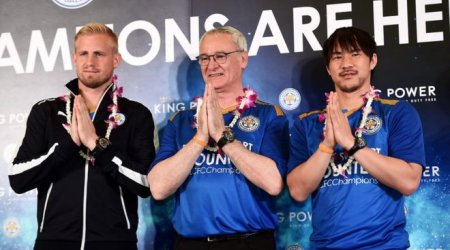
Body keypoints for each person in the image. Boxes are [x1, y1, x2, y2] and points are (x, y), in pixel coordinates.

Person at [8, 23, 155, 250]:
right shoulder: (45, 111)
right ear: (74, 58)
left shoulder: (136, 114)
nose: (90, 62)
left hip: (115, 243)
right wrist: (68, 145)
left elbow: (145, 184)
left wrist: (97, 145)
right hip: (54, 242)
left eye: (99, 54)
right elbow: (18, 179)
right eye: (83, 53)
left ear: (116, 60)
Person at [147, 26, 289, 250]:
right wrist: (199, 139)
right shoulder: (180, 120)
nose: (211, 65)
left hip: (249, 242)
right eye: (204, 58)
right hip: (191, 244)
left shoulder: (268, 114)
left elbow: (273, 184)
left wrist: (224, 139)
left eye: (220, 56)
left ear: (243, 59)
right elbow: (158, 188)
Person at [287, 26, 425, 249]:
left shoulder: (396, 112)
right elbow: (298, 190)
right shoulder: (307, 123)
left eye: (355, 54)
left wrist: (352, 144)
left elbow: (409, 181)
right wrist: (327, 146)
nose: (346, 64)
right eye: (337, 57)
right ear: (328, 68)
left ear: (372, 61)